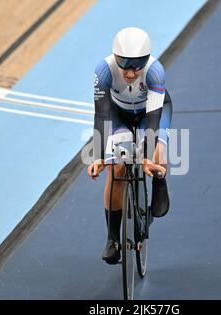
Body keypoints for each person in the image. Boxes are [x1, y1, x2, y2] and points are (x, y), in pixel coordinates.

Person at [87, 27, 172, 264]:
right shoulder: (103, 71)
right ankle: (112, 238)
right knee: (116, 169)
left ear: (146, 61)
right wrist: (98, 156)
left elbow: (154, 119)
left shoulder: (155, 72)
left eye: (137, 64)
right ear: (115, 57)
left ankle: (159, 182)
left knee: (156, 151)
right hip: (117, 115)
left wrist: (146, 158)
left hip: (151, 113)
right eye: (124, 63)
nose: (131, 72)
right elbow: (102, 114)